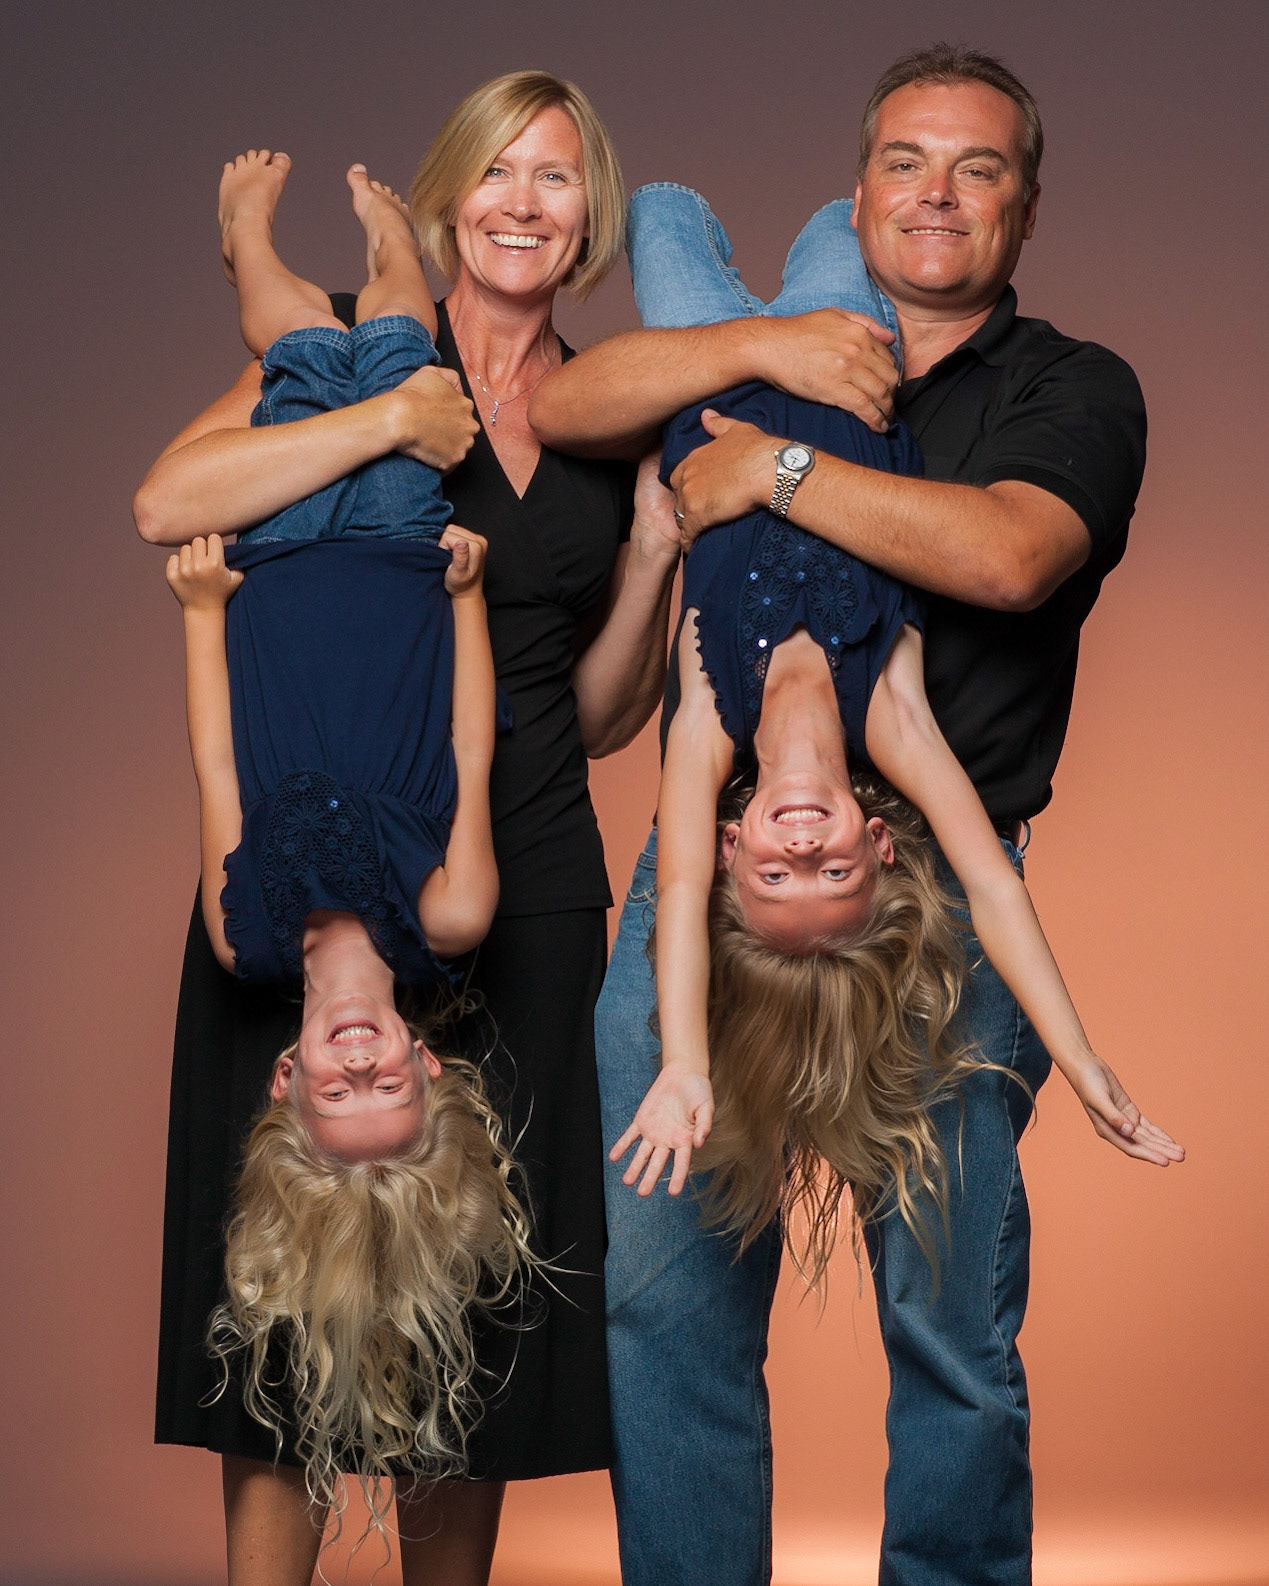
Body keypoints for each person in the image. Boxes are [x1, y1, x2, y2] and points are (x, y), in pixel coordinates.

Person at [531, 44, 1170, 1586]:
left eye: (977, 169)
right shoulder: (790, 347)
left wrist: (771, 465)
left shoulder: (1068, 387)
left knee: (948, 1320)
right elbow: (571, 398)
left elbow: (1009, 559)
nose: (935, 194)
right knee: (666, 1297)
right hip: (714, 868)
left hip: (937, 885)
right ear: (863, 178)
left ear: (1025, 208)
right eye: (903, 160)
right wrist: (769, 356)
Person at [136, 72, 680, 1586]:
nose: (523, 201)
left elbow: (606, 706)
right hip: (306, 868)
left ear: (592, 218)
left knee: (476, 1299)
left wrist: (646, 561)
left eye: (557, 177)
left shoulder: (606, 408)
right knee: (281, 1294)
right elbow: (171, 495)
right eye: (497, 171)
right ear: (444, 203)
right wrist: (391, 416)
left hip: (523, 882)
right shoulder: (356, 346)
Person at [610, 186, 1180, 1286]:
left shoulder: (711, 731)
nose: (803, 841)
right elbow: (994, 886)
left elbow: (674, 901)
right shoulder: (896, 714)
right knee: (839, 217)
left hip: (709, 383)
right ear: (877, 844)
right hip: (841, 362)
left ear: (738, 853)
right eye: (831, 867)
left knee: (660, 209)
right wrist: (1080, 1053)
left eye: (779, 872)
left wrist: (688, 1059)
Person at [160, 151, 534, 1520]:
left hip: (267, 586)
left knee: (302, 351)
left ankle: (244, 234)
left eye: (339, 1094)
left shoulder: (243, 932)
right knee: (388, 337)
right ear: (430, 1072)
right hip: (387, 572)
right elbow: (472, 751)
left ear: (288, 1082)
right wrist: (467, 604)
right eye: (393, 1092)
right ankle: (387, 243)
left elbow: (214, 762)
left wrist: (203, 618)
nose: (364, 1062)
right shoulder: (446, 921)